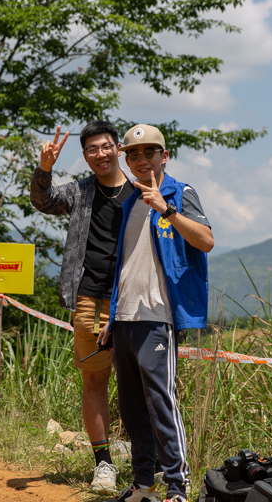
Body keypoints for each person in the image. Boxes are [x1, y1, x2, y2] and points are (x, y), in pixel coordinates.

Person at [97, 124, 213, 502]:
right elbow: (126, 266)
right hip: (126, 318)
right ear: (127, 162)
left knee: (161, 403)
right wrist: (111, 316)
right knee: (131, 408)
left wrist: (168, 210)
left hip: (158, 318)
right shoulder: (129, 202)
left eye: (149, 152)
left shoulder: (180, 193)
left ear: (164, 156)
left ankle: (177, 489)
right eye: (133, 154)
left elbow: (206, 241)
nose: (141, 159)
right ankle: (144, 484)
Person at [30, 120, 133, 493]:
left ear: (118, 148)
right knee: (95, 379)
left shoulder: (141, 191)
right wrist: (45, 167)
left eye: (106, 146)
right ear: (86, 156)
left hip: (134, 300)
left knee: (141, 382)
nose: (100, 154)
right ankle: (104, 465)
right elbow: (42, 201)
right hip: (89, 297)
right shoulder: (81, 192)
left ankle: (150, 463)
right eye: (92, 149)